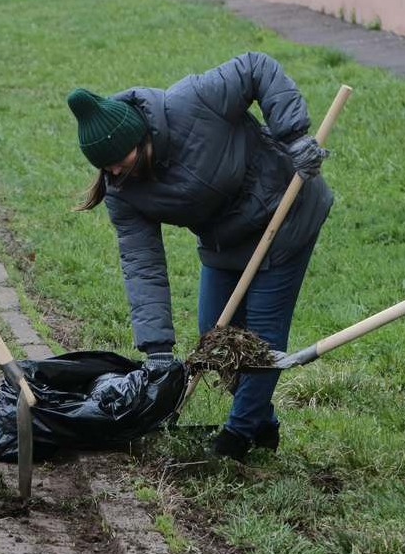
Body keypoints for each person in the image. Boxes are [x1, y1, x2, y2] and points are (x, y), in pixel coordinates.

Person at [67, 55, 331, 461]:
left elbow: (256, 67)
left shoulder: (192, 102)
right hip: (224, 241)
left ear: (141, 135)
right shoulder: (122, 192)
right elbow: (142, 266)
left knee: (259, 339)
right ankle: (262, 422)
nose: (116, 171)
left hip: (286, 214)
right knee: (216, 339)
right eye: (106, 167)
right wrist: (157, 350)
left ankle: (237, 437)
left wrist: (293, 136)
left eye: (122, 159)